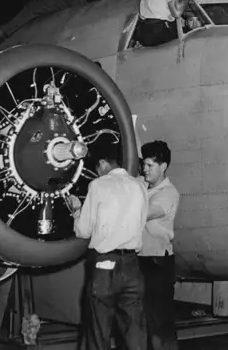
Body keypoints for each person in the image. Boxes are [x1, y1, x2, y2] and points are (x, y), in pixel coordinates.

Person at [67, 150, 148, 350]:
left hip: (105, 267)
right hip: (132, 266)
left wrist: (77, 210)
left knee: (98, 331)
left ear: (103, 163)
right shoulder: (140, 186)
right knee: (135, 332)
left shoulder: (98, 185)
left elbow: (83, 231)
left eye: (97, 169)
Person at [138, 141, 181, 350]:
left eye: (149, 166)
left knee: (159, 324)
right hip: (140, 261)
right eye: (143, 165)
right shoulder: (142, 185)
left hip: (157, 264)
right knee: (143, 323)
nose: (144, 170)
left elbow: (145, 213)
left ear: (163, 167)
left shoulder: (168, 194)